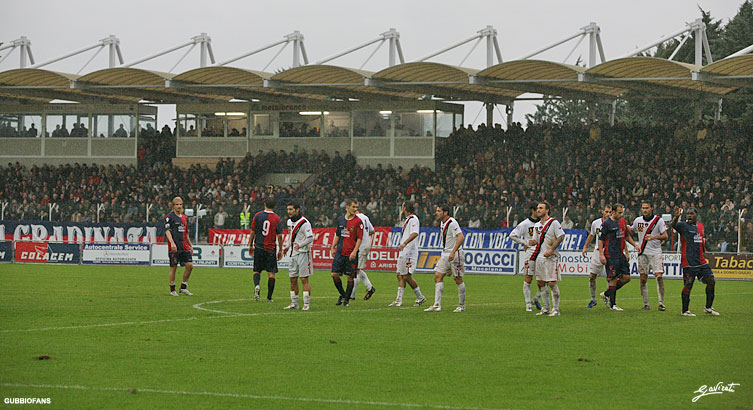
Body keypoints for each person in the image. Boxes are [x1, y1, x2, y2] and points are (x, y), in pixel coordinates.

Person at [671, 207, 720, 316]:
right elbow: (673, 225)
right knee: (688, 284)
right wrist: (676, 217)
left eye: (691, 213)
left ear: (696, 215)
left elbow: (701, 242)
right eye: (688, 214)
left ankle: (708, 307)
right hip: (688, 262)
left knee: (711, 281)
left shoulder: (700, 226)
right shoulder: (683, 225)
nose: (689, 215)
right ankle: (685, 311)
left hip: (701, 261)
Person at [425, 204, 465, 312]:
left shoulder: (452, 223)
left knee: (458, 279)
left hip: (455, 254)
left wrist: (453, 252)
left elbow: (461, 237)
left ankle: (462, 306)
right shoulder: (442, 223)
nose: (436, 213)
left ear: (445, 212)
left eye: (439, 211)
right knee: (438, 275)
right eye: (436, 211)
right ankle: (437, 305)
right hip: (445, 254)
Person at [598, 204, 639, 311]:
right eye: (619, 212)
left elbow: (626, 236)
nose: (621, 214)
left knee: (626, 278)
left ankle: (607, 294)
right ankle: (613, 304)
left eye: (622, 212)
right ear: (613, 212)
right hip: (610, 255)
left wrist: (634, 245)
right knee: (613, 278)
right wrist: (601, 255)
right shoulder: (607, 224)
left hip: (620, 255)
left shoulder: (622, 222)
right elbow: (601, 239)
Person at [529, 202, 565, 316]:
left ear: (547, 210)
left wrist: (552, 249)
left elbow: (561, 236)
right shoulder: (536, 225)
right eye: (538, 208)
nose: (538, 210)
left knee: (552, 282)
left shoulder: (554, 223)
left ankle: (556, 309)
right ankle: (546, 308)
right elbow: (536, 240)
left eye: (541, 208)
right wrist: (532, 242)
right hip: (540, 256)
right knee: (540, 283)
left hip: (551, 257)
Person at [631, 201, 668, 311]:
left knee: (659, 276)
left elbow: (665, 236)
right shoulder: (638, 221)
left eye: (647, 208)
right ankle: (646, 304)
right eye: (643, 208)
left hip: (656, 252)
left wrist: (654, 237)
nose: (645, 210)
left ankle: (661, 303)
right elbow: (632, 230)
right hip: (642, 253)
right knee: (643, 279)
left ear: (652, 208)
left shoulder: (659, 220)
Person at [389, 201, 426, 307]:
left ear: (405, 208)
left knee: (406, 276)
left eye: (402, 206)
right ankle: (399, 300)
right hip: (404, 251)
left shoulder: (414, 219)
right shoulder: (408, 220)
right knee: (400, 275)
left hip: (409, 251)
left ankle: (419, 297)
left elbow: (415, 233)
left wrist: (405, 243)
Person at [329, 199, 364, 307]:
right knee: (334, 274)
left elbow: (359, 238)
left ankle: (346, 301)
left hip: (351, 254)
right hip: (340, 252)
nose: (355, 209)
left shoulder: (358, 221)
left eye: (356, 207)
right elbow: (338, 234)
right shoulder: (340, 220)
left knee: (350, 277)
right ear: (347, 207)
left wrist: (354, 252)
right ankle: (343, 294)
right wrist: (333, 247)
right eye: (353, 207)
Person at [508, 201, 542, 312]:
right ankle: (528, 304)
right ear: (533, 210)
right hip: (530, 253)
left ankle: (536, 298)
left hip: (542, 253)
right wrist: (525, 243)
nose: (539, 211)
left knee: (544, 279)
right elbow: (512, 235)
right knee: (528, 278)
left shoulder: (544, 223)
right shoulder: (525, 224)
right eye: (537, 209)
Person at [249, 197, 284, 302]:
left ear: (264, 204)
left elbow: (253, 232)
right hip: (270, 249)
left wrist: (250, 245)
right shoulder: (277, 219)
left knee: (257, 271)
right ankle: (269, 297)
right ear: (274, 206)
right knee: (271, 273)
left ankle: (257, 286)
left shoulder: (257, 216)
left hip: (259, 247)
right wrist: (280, 250)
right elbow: (280, 236)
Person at [283, 203, 314, 311]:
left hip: (303, 253)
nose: (289, 211)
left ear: (297, 210)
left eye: (291, 209)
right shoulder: (289, 222)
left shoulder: (305, 223)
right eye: (288, 209)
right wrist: (287, 246)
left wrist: (299, 245)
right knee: (292, 279)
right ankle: (294, 303)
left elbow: (310, 238)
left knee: (304, 279)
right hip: (292, 253)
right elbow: (291, 236)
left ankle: (306, 304)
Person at [582, 205, 611, 308]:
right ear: (602, 211)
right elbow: (591, 235)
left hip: (609, 252)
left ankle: (609, 300)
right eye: (606, 211)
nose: (608, 214)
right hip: (597, 252)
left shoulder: (614, 223)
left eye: (610, 212)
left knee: (610, 278)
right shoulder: (596, 223)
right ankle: (593, 299)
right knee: (592, 276)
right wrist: (585, 246)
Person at [164, 196, 194, 296]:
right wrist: (172, 242)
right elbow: (167, 231)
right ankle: (172, 290)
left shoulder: (185, 217)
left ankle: (183, 287)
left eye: (180, 204)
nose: (179, 206)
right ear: (173, 206)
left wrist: (190, 245)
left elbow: (186, 233)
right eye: (177, 204)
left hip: (184, 245)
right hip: (175, 246)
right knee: (174, 267)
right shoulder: (170, 217)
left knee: (190, 266)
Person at [350, 210, 377, 301]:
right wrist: (365, 235)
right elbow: (372, 231)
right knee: (358, 269)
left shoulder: (355, 219)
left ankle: (352, 295)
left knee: (356, 270)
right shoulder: (365, 217)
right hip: (366, 244)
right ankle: (370, 288)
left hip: (360, 246)